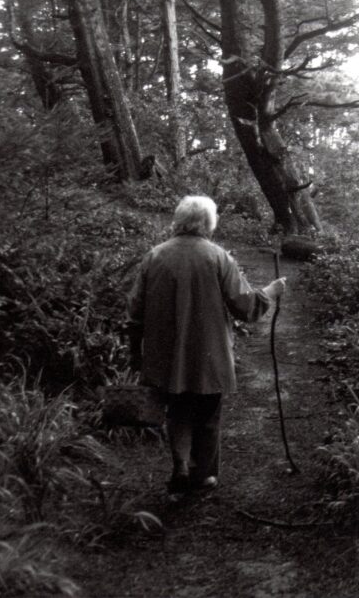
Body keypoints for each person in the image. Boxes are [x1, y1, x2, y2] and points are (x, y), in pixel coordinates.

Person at [126, 195, 286, 495]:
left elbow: (134, 308)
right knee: (208, 414)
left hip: (165, 356)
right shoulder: (217, 257)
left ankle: (181, 466)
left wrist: (135, 352)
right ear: (208, 223)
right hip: (207, 354)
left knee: (177, 411)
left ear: (179, 220)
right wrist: (270, 292)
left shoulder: (155, 256)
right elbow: (244, 305)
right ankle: (203, 475)